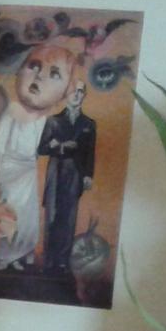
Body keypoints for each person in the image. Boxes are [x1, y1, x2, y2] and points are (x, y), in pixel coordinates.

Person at [0, 45, 74, 271]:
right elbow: (0, 145)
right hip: (9, 168)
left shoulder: (46, 121)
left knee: (29, 217)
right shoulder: (11, 112)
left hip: (28, 171)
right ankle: (7, 256)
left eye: (54, 74)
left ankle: (22, 254)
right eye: (34, 66)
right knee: (9, 213)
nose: (39, 76)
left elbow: (45, 147)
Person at [39, 78, 96, 273]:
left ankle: (63, 260)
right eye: (73, 91)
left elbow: (90, 152)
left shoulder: (89, 124)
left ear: (84, 95)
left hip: (75, 172)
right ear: (65, 95)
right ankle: (49, 260)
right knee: (52, 214)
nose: (76, 95)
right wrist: (59, 146)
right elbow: (41, 148)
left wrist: (88, 175)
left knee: (69, 216)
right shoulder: (53, 121)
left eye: (80, 91)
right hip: (56, 171)